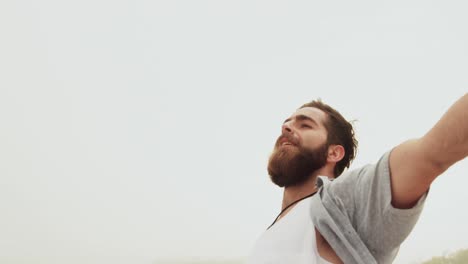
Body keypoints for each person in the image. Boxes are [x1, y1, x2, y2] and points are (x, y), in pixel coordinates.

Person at [247, 94, 468, 264]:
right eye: (288, 122)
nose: (286, 127)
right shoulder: (271, 233)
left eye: (305, 124)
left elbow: (431, 154)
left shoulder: (338, 202)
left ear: (334, 153)